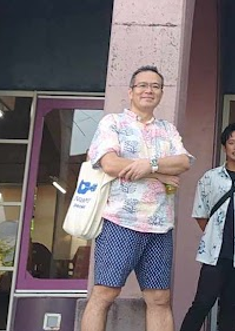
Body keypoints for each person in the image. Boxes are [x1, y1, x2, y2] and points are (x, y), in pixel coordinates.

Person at [81, 65, 194, 331]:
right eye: (142, 85)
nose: (148, 90)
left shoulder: (167, 129)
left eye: (155, 86)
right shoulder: (113, 123)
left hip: (159, 225)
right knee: (104, 293)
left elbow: (183, 162)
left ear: (161, 93)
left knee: (159, 298)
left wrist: (150, 165)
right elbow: (109, 163)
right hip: (120, 221)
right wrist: (159, 174)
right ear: (131, 92)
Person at [178, 123, 235, 331]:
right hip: (214, 254)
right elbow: (201, 214)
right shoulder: (210, 178)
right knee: (202, 303)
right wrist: (215, 235)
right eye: (231, 143)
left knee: (232, 308)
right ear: (224, 147)